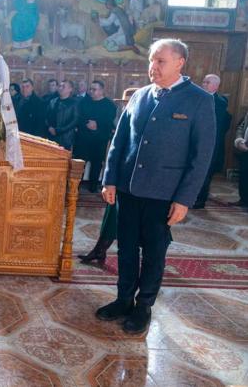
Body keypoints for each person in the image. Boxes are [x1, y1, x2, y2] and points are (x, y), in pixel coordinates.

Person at [97, 38, 215, 335]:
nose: (154, 67)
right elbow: (119, 141)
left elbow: (201, 157)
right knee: (125, 249)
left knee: (153, 253)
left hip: (164, 194)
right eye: (152, 60)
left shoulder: (199, 100)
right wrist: (110, 178)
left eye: (161, 61)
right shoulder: (140, 96)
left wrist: (185, 199)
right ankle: (123, 299)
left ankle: (143, 306)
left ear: (179, 63)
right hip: (128, 188)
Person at [79, 86, 139, 264]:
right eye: (123, 104)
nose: (125, 107)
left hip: (137, 182)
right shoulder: (124, 120)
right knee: (111, 217)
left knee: (135, 225)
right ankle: (99, 250)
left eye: (128, 104)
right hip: (120, 180)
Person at [194, 74, 231, 208]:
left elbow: (217, 126)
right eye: (203, 81)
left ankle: (200, 200)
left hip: (211, 144)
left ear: (216, 85)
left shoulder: (220, 102)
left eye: (207, 82)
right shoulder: (197, 98)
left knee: (205, 173)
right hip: (195, 141)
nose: (203, 84)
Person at [74, 80, 117, 192]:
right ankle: (76, 186)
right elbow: (78, 116)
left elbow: (109, 120)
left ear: (101, 90)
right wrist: (86, 124)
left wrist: (97, 124)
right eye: (91, 89)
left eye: (94, 89)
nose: (91, 91)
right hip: (83, 138)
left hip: (99, 139)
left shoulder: (109, 105)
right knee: (80, 163)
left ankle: (93, 187)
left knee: (96, 163)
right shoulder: (84, 102)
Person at [45, 79, 79, 150]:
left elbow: (74, 121)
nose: (60, 88)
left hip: (66, 138)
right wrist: (49, 127)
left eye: (63, 86)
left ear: (70, 89)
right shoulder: (53, 101)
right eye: (60, 86)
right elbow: (46, 117)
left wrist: (59, 130)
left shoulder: (74, 103)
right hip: (51, 136)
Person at [232, 111, 248, 209]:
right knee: (244, 175)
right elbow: (241, 127)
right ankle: (244, 200)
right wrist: (239, 141)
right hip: (245, 147)